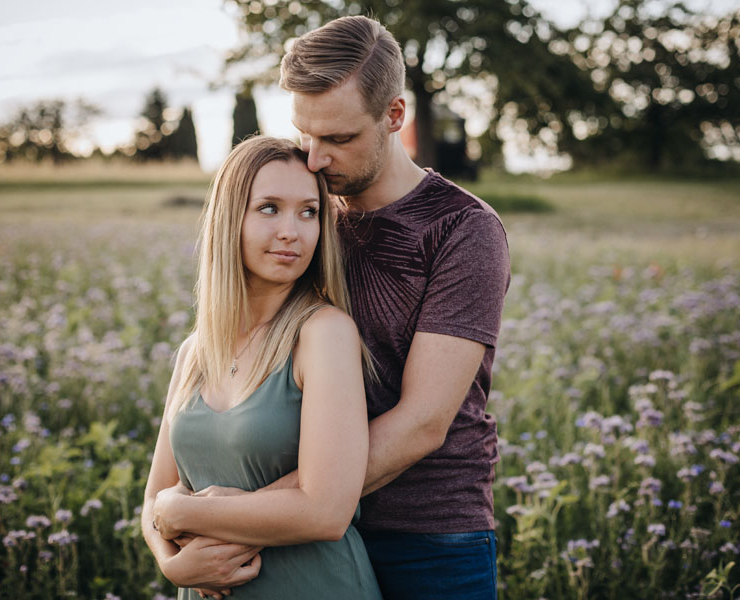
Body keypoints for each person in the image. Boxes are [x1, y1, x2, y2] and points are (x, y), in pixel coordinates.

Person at [168, 15, 512, 599]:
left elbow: (422, 424)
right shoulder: (310, 214)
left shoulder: (463, 229)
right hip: (301, 529)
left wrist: (250, 514)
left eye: (339, 138)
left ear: (395, 118)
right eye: (306, 135)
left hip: (425, 534)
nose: (316, 159)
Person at [141, 136, 382, 600]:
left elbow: (326, 511)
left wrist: (182, 513)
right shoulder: (195, 353)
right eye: (269, 208)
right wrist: (172, 565)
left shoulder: (323, 333)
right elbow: (155, 498)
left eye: (309, 211)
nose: (292, 230)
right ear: (230, 219)